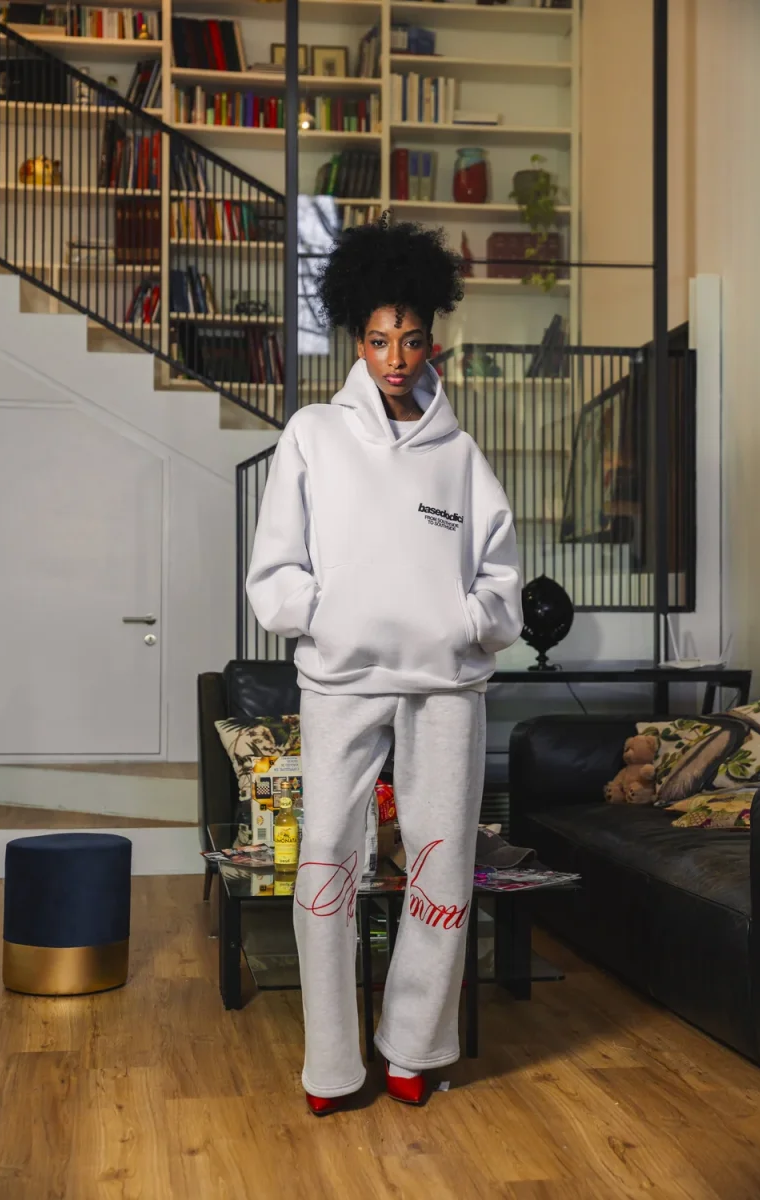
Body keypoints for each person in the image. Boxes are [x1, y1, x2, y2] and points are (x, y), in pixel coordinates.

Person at [247, 219, 522, 1115]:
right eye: (377, 339)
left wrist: (465, 622)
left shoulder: (460, 455)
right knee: (328, 858)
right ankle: (332, 1062)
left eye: (409, 339)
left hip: (446, 686)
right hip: (341, 678)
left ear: (431, 339)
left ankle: (414, 1046)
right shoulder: (313, 433)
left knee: (440, 866)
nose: (395, 358)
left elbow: (502, 580)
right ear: (355, 340)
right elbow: (274, 568)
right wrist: (322, 619)